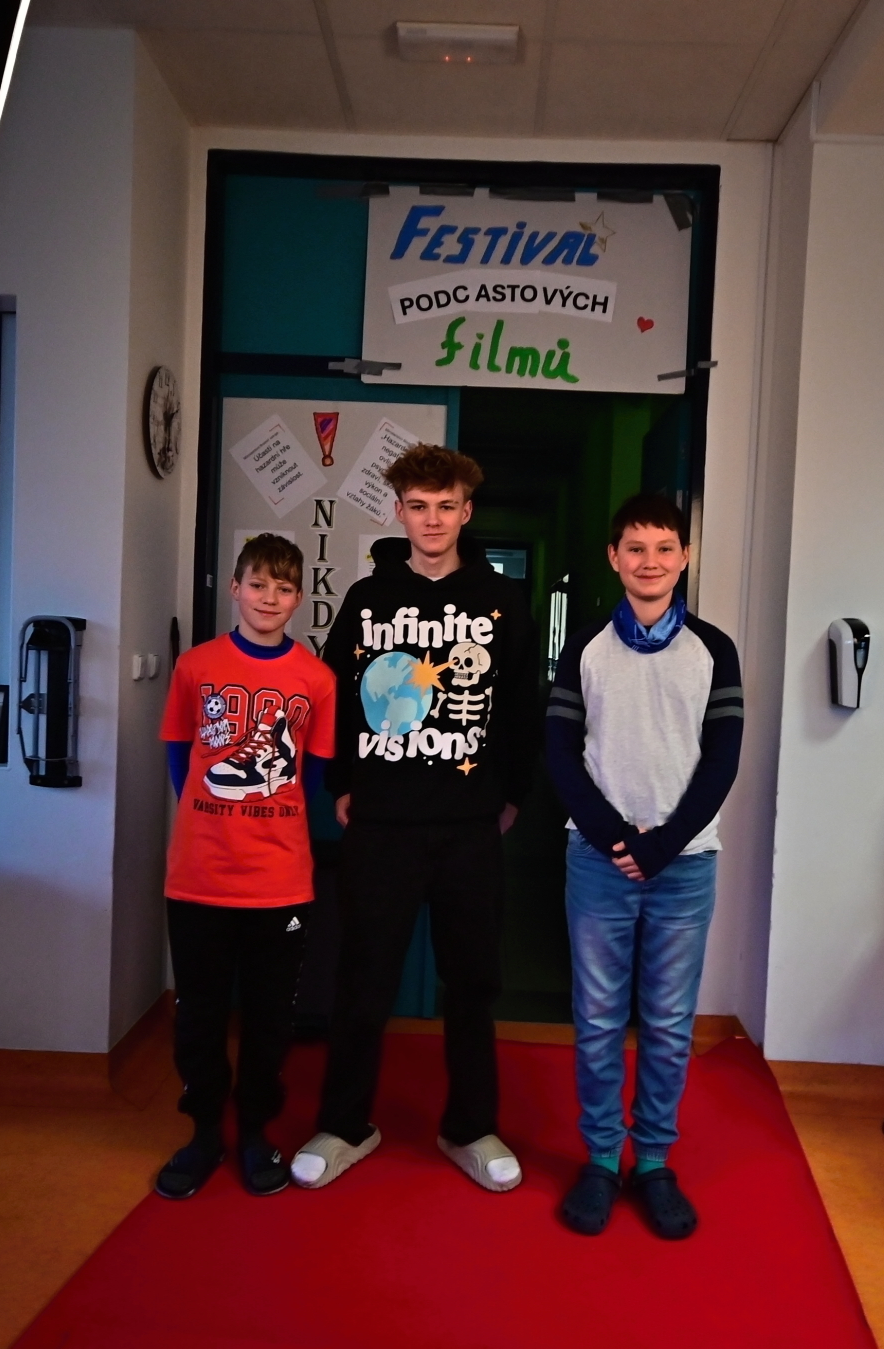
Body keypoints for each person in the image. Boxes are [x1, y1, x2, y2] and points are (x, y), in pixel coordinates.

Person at [293, 444, 537, 1193]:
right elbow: (336, 693)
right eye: (420, 507)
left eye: (446, 506)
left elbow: (521, 705)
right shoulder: (368, 598)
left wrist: (514, 795)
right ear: (399, 511)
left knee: (474, 983)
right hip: (382, 823)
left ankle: (470, 1126)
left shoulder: (502, 600)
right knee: (362, 979)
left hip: (468, 826)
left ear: (467, 512)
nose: (433, 520)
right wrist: (340, 781)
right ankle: (344, 1124)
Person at [544, 493, 743, 1240]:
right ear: (614, 557)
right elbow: (560, 753)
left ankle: (654, 1161)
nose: (649, 561)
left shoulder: (715, 650)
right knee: (598, 1019)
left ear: (685, 557)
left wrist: (662, 843)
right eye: (635, 547)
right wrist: (613, 837)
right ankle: (601, 1157)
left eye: (664, 548)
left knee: (667, 1022)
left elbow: (722, 760)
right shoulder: (586, 648)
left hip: (685, 865)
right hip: (597, 861)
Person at [154, 534, 336, 1199]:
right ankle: (204, 1131)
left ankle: (256, 1130)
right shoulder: (196, 666)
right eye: (258, 584)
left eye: (283, 588)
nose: (269, 598)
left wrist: (266, 817)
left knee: (269, 1018)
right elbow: (180, 757)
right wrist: (212, 817)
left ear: (298, 598)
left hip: (279, 884)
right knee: (199, 1015)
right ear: (235, 587)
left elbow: (313, 776)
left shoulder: (317, 680)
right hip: (198, 877)